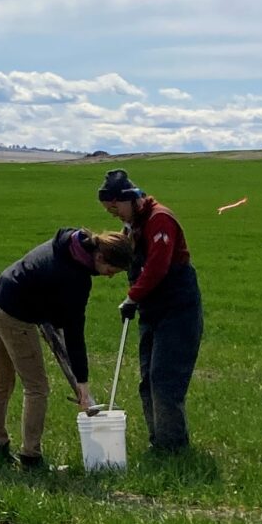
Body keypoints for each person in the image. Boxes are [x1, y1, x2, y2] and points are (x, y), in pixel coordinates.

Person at [0, 227, 123, 469]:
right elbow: (74, 332)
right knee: (37, 387)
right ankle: (31, 457)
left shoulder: (69, 243)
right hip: (12, 314)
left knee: (2, 379)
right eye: (111, 270)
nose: (110, 276)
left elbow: (54, 310)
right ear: (99, 258)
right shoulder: (77, 279)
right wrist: (83, 382)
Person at [96, 168, 201, 451]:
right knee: (148, 379)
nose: (114, 213)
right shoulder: (132, 225)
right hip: (151, 310)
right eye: (109, 210)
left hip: (177, 309)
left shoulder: (160, 220)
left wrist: (132, 298)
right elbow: (128, 257)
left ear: (131, 198)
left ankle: (173, 447)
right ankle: (159, 441)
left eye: (116, 207)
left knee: (164, 379)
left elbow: (157, 266)